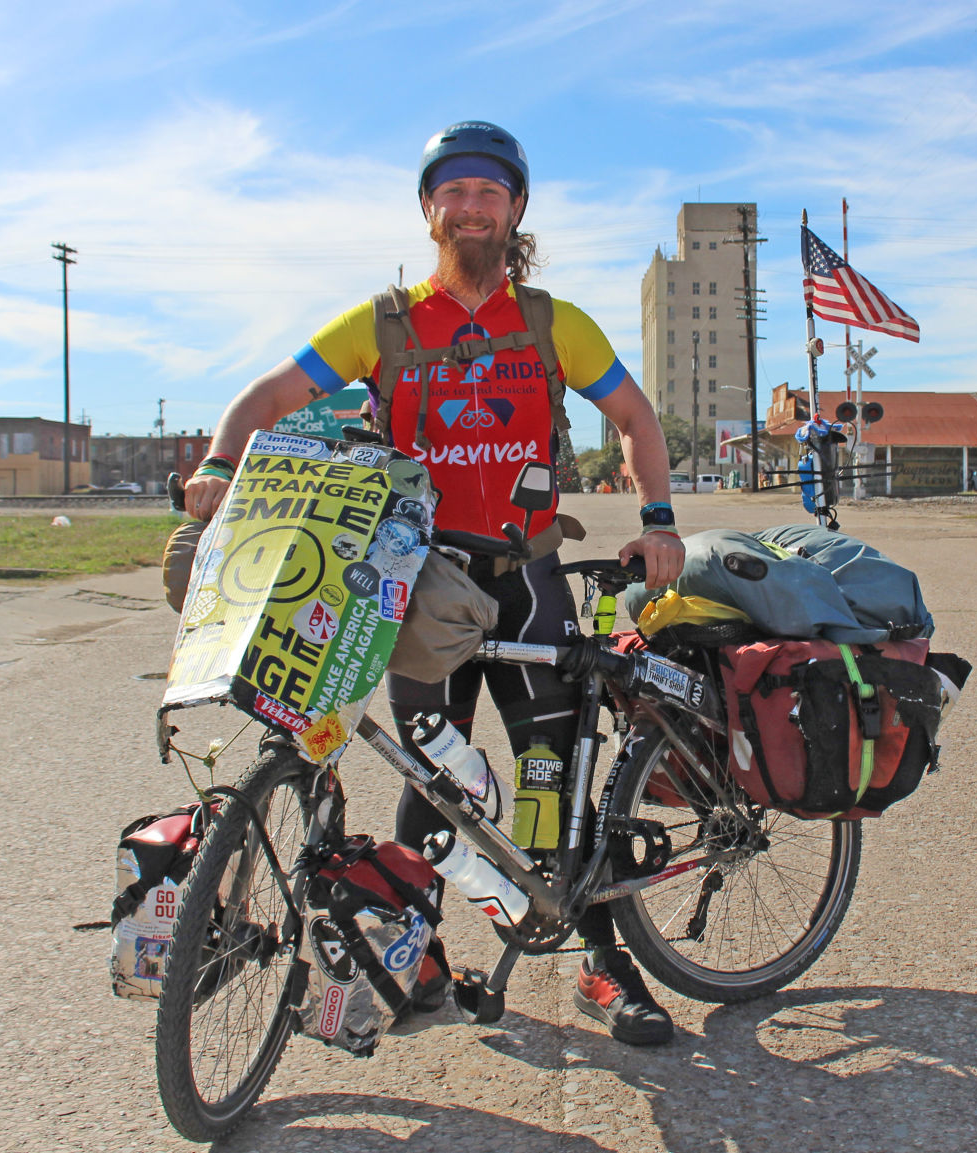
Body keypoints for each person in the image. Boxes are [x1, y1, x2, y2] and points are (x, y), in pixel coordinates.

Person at [181, 121, 686, 1046]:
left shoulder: (549, 322)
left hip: (527, 577)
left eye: (490, 191)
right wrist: (220, 462)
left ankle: (603, 968)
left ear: (517, 209)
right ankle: (419, 954)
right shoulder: (383, 325)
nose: (471, 205)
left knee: (553, 773)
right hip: (415, 590)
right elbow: (262, 400)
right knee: (430, 771)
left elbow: (634, 417)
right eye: (452, 191)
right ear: (427, 211)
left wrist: (658, 522)